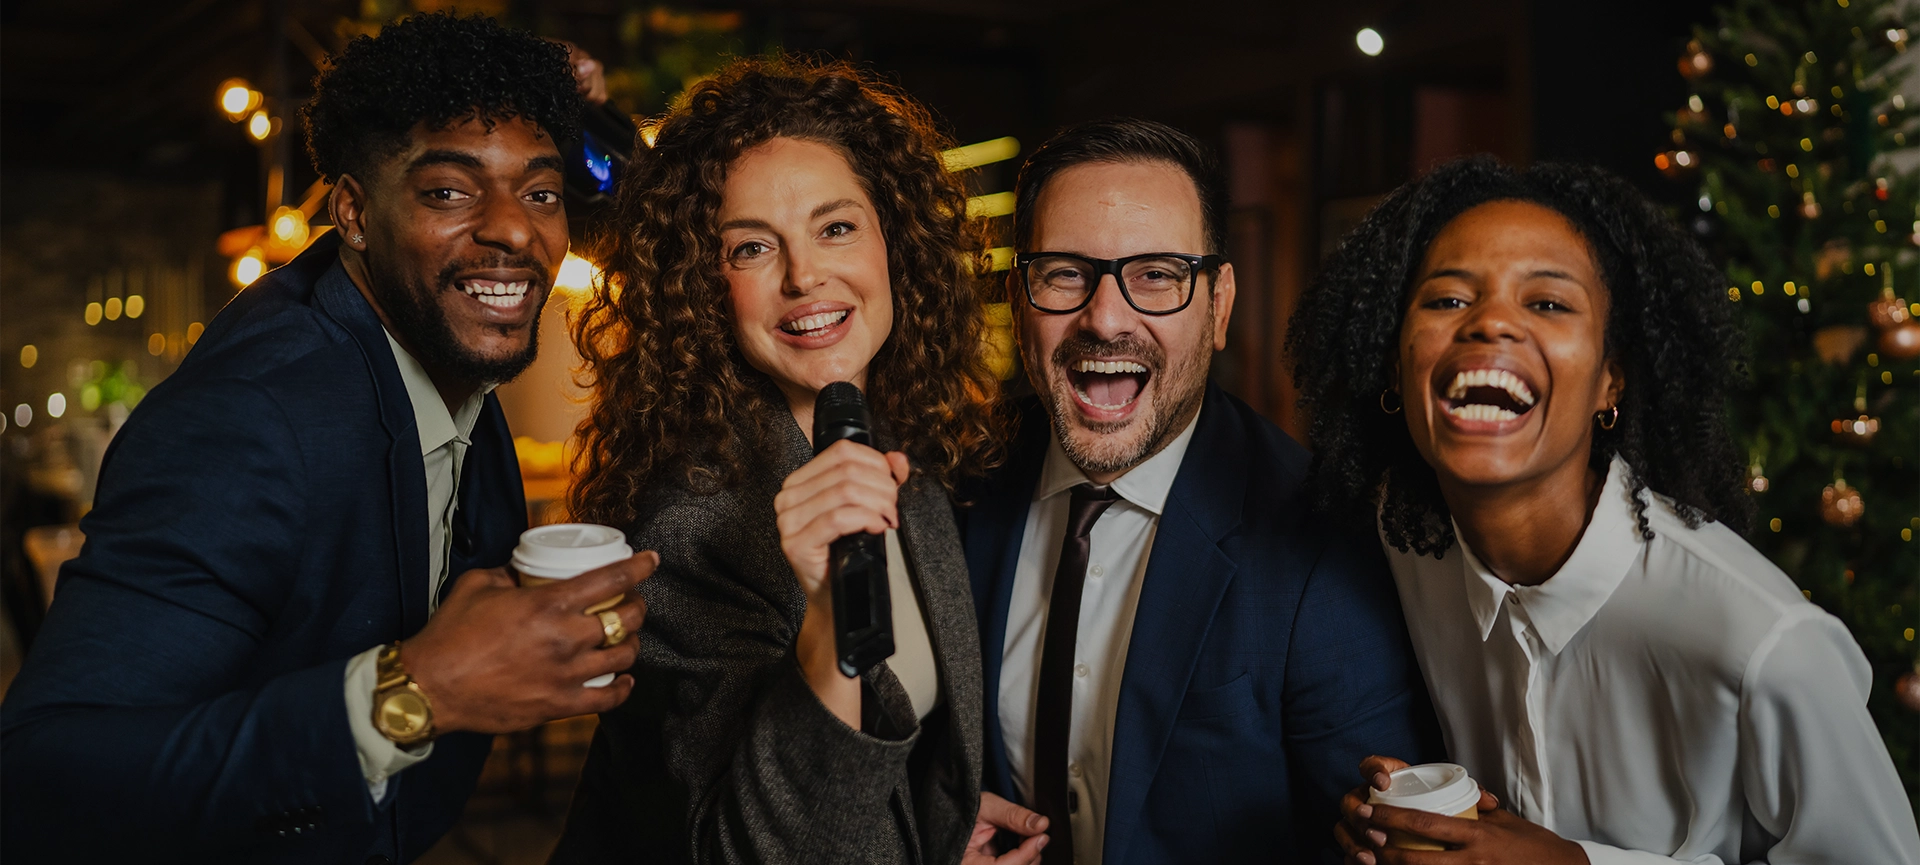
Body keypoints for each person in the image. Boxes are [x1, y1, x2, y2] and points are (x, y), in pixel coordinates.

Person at [0, 14, 654, 863]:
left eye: (539, 193)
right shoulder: (248, 423)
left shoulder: (438, 341)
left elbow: (653, 209)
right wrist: (412, 693)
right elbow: (43, 782)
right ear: (352, 211)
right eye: (448, 191)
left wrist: (593, 122)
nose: (513, 230)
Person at [1290, 157, 1920, 864]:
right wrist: (1416, 811)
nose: (1491, 322)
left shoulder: (1765, 642)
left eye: (1548, 304)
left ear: (1609, 381)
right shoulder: (1395, 544)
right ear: (1393, 362)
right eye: (1447, 299)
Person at [549, 58, 1047, 865]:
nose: (805, 274)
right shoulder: (692, 524)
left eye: (836, 227)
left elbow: (879, 751)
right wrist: (825, 616)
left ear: (894, 241)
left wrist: (931, 829)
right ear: (706, 287)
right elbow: (744, 849)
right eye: (751, 247)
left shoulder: (900, 449)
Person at [957, 118, 1442, 865]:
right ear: (1020, 300)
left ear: (1218, 307)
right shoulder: (957, 479)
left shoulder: (1319, 542)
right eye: (1064, 272)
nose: (1105, 318)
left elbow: (1372, 848)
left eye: (1157, 274)